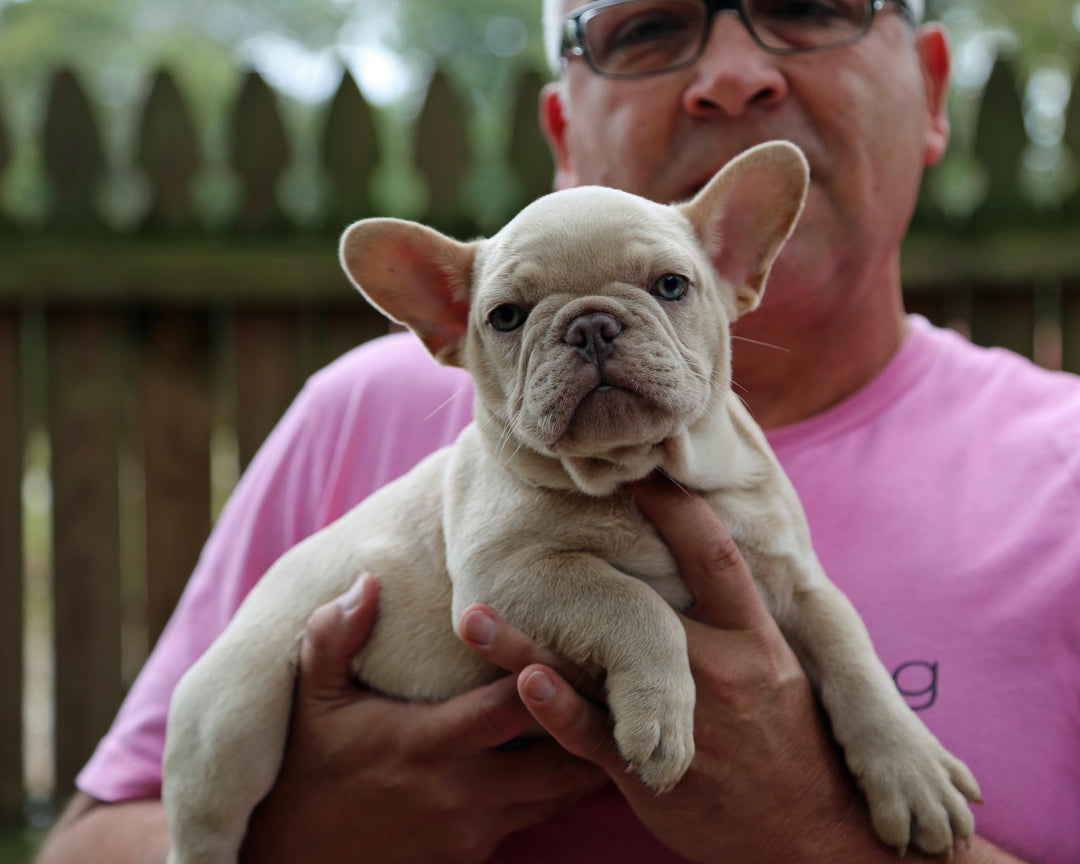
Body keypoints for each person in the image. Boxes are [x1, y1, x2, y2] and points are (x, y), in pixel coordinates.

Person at [37, 0, 1080, 861]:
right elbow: (86, 843)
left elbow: (806, 599)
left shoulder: (1059, 473)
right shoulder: (353, 417)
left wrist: (816, 827)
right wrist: (296, 838)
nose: (732, 75)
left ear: (734, 264)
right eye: (646, 29)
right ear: (445, 324)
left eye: (811, 8)